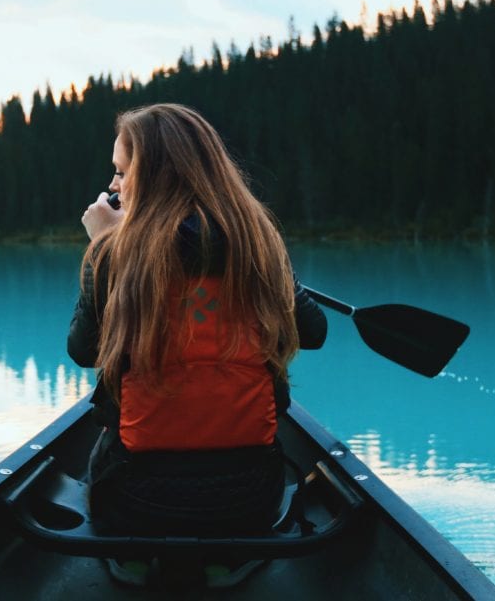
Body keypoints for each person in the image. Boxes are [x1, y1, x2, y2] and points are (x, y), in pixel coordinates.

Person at [67, 103, 327, 540]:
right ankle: (227, 565)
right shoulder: (257, 242)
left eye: (122, 172)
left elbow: (83, 351)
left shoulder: (115, 252)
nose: (113, 186)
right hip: (249, 500)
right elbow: (313, 332)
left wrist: (105, 247)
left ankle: (133, 559)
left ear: (153, 176)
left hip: (136, 500)